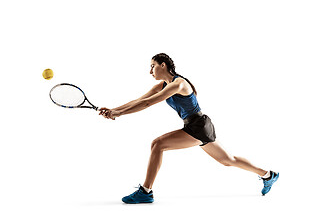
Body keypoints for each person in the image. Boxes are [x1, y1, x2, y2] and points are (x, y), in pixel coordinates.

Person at [99, 53, 279, 204]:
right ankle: (268, 175)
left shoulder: (179, 84)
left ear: (163, 65)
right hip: (199, 126)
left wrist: (119, 114)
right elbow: (139, 100)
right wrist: (115, 110)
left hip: (198, 126)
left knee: (158, 144)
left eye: (152, 66)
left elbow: (148, 103)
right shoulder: (162, 85)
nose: (150, 71)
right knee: (227, 160)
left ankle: (146, 192)